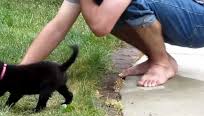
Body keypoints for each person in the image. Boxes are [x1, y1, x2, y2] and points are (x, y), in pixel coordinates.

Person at [21, 0, 204, 87]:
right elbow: (58, 27)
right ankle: (158, 57)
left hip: (198, 20)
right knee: (108, 9)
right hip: (180, 19)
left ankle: (162, 63)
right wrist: (19, 72)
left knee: (125, 7)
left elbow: (99, 26)